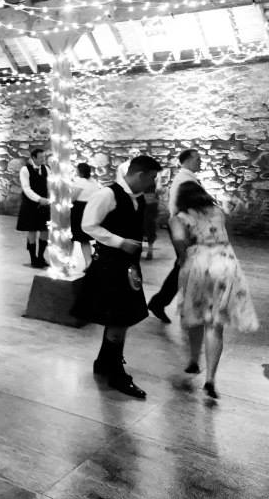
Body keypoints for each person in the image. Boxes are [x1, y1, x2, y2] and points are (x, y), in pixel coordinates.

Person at [73, 155, 162, 399]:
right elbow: (88, 225)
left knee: (120, 317)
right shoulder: (107, 195)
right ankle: (115, 373)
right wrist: (120, 242)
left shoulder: (138, 198)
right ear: (140, 175)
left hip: (127, 265)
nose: (153, 183)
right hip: (110, 265)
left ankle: (104, 361)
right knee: (119, 318)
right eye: (152, 178)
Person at [170, 182, 259, 399]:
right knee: (215, 324)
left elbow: (180, 244)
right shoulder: (218, 211)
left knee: (195, 314)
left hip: (199, 264)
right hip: (226, 262)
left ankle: (193, 359)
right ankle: (210, 379)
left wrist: (183, 259)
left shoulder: (179, 218)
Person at [147, 149, 203, 324]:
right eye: (197, 159)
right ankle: (164, 303)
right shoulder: (185, 179)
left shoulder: (188, 178)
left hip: (185, 227)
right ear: (186, 160)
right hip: (184, 228)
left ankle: (165, 303)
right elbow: (185, 208)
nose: (200, 162)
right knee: (185, 267)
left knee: (186, 267)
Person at [117, 157, 159, 260]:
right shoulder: (122, 168)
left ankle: (147, 248)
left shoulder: (148, 172)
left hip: (149, 201)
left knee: (148, 225)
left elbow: (158, 186)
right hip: (145, 200)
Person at [16, 149, 51, 268]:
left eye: (44, 157)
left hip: (45, 204)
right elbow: (26, 188)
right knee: (32, 230)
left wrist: (50, 197)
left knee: (45, 230)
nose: (43, 160)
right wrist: (39, 199)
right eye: (41, 157)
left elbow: (50, 185)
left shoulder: (46, 169)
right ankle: (33, 259)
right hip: (30, 204)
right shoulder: (25, 170)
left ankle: (41, 257)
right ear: (33, 158)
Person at [70, 163, 102, 269]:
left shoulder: (80, 182)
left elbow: (72, 198)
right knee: (84, 239)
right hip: (90, 210)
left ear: (80, 171)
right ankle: (88, 262)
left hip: (78, 210)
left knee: (72, 237)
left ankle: (68, 261)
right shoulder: (93, 182)